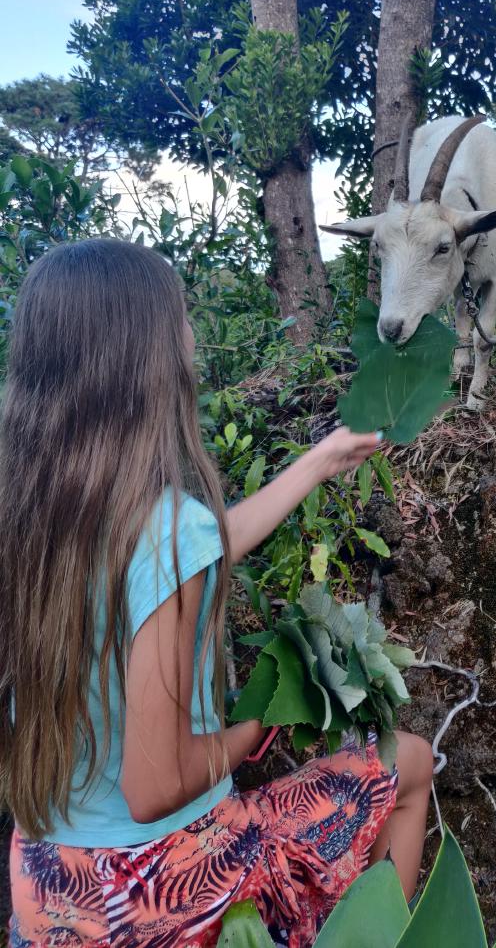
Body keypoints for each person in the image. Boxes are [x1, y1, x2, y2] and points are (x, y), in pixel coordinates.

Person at [0, 238, 434, 947]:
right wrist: (265, 725)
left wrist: (319, 461)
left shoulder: (37, 513)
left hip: (50, 883)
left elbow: (185, 555)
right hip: (161, 885)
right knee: (407, 763)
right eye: (180, 318)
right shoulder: (169, 529)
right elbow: (154, 785)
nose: (191, 334)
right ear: (145, 356)